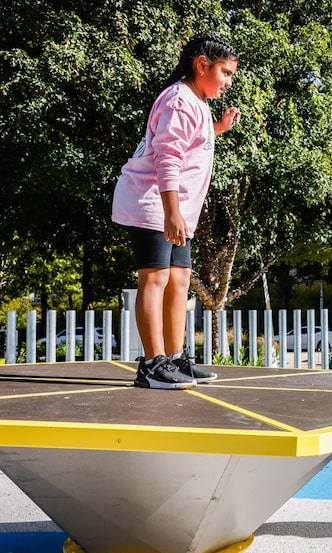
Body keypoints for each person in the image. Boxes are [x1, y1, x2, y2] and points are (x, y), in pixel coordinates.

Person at [112, 34, 241, 389]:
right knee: (155, 277)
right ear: (202, 65)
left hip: (174, 206)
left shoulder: (197, 102)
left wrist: (219, 128)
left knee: (180, 280)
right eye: (226, 73)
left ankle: (175, 359)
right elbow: (167, 156)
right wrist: (171, 213)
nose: (229, 81)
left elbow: (190, 140)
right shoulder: (179, 100)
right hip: (154, 201)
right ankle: (153, 365)